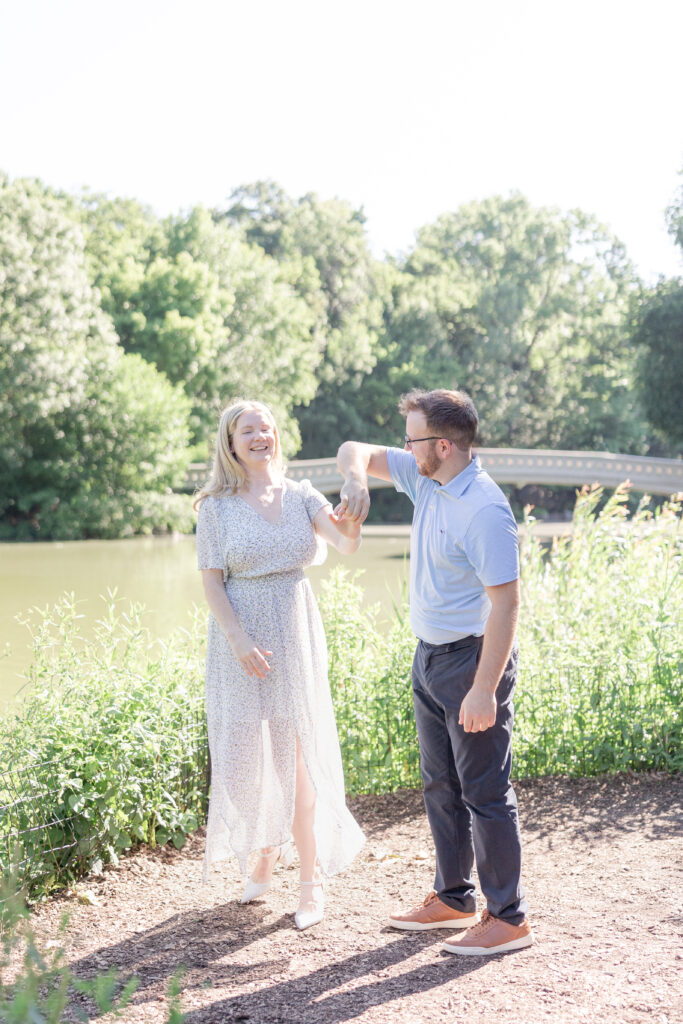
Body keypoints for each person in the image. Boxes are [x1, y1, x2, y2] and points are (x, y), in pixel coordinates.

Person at [336, 388, 533, 956]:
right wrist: (355, 481)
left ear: (442, 445)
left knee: (485, 792)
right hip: (428, 657)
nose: (402, 447)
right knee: (440, 785)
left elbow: (507, 606)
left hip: (471, 661)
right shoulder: (428, 477)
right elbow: (355, 450)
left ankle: (509, 917)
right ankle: (453, 898)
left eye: (412, 438)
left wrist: (483, 688)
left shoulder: (486, 510)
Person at [195, 399, 364, 930]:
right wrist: (239, 639)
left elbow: (343, 544)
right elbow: (211, 585)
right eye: (248, 430)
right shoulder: (214, 508)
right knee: (247, 756)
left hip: (294, 631)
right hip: (239, 642)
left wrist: (353, 514)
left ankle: (310, 883)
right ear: (231, 443)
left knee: (298, 758)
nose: (260, 436)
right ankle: (266, 850)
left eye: (266, 427)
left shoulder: (301, 496)